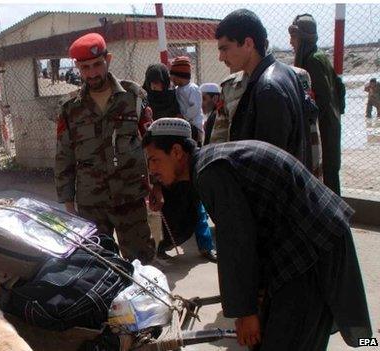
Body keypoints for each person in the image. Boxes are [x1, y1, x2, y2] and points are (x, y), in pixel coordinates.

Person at [143, 118, 372, 351]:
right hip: (301, 238)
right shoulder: (208, 163)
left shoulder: (210, 172)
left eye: (154, 160)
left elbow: (237, 243)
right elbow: (250, 229)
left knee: (290, 337)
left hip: (311, 243)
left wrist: (245, 313)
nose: (152, 170)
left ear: (177, 152)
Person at [55, 32, 156, 263]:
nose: (92, 73)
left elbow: (151, 146)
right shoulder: (70, 108)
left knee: (143, 264)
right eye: (85, 67)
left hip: (131, 197)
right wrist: (69, 205)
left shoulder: (134, 97)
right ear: (78, 68)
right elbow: (64, 157)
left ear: (108, 60)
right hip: (92, 203)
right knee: (98, 266)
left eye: (97, 65)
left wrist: (156, 186)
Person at [216, 9, 312, 170]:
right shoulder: (282, 73)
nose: (221, 57)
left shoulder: (268, 89)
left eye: (225, 49)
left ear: (248, 44)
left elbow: (268, 168)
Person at [143, 64, 216, 262]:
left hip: (182, 164)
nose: (157, 88)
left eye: (159, 83)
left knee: (195, 205)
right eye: (153, 84)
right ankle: (161, 246)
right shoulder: (144, 103)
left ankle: (206, 246)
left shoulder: (175, 97)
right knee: (164, 210)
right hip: (164, 168)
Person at [289, 13, 343, 195]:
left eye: (294, 37)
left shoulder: (312, 61)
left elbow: (320, 101)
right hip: (330, 126)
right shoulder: (319, 57)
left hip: (323, 128)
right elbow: (340, 89)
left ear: (303, 38)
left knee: (326, 177)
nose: (291, 42)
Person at [169, 56, 204, 144]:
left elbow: (195, 107)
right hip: (184, 123)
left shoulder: (192, 88)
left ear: (180, 76)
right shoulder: (177, 89)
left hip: (195, 124)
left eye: (174, 78)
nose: (172, 81)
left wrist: (184, 117)